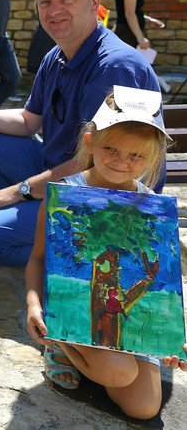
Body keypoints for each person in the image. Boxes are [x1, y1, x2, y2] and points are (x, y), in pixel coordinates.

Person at [0, 0, 161, 267]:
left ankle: (85, 255)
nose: (54, 10)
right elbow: (27, 121)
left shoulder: (115, 66)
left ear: (94, 0)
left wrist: (21, 190)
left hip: (106, 192)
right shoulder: (56, 56)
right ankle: (18, 220)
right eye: (45, 2)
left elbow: (99, 165)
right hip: (59, 167)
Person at [25, 85, 186, 420]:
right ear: (89, 141)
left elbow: (164, 286)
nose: (120, 161)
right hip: (81, 317)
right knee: (119, 373)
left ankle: (103, 362)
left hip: (119, 314)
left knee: (143, 408)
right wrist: (33, 304)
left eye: (137, 156)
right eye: (111, 148)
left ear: (153, 158)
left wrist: (172, 337)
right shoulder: (65, 196)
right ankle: (63, 348)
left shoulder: (152, 209)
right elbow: (39, 258)